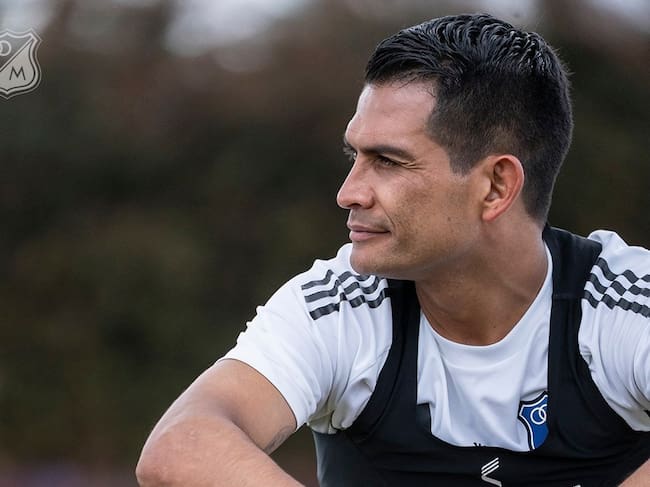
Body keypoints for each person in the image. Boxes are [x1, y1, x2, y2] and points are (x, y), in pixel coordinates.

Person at [136, 13, 650, 486]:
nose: (349, 193)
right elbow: (180, 446)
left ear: (496, 186)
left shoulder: (623, 302)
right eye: (355, 156)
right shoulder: (339, 305)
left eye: (388, 161)